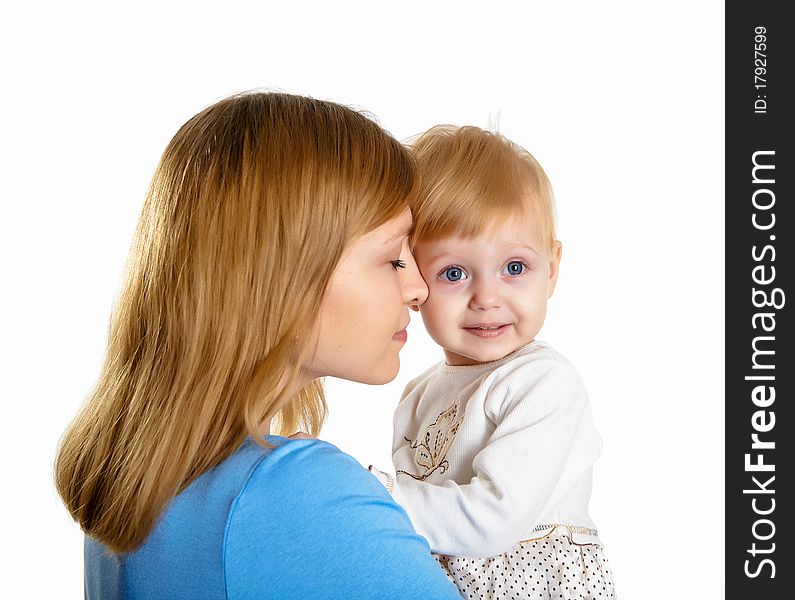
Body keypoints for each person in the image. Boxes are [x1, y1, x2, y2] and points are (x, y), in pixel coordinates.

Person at [54, 92, 462, 599]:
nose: (420, 288)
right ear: (286, 278)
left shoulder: (134, 487)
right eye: (393, 259)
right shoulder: (295, 494)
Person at [368, 125, 617, 599]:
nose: (487, 297)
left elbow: (495, 516)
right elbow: (412, 533)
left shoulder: (544, 382)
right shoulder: (417, 396)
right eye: (454, 273)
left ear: (552, 268)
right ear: (414, 281)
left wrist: (368, 498)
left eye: (515, 268)